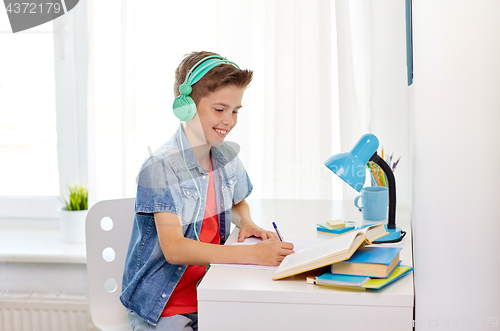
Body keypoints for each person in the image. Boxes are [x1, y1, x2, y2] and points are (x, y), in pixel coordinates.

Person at [120, 51, 294, 330]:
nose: (229, 120)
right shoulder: (160, 167)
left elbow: (238, 201)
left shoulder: (225, 156)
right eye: (220, 109)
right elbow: (175, 250)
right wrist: (254, 254)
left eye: (235, 111)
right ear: (185, 106)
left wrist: (246, 222)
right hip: (166, 306)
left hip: (211, 292)